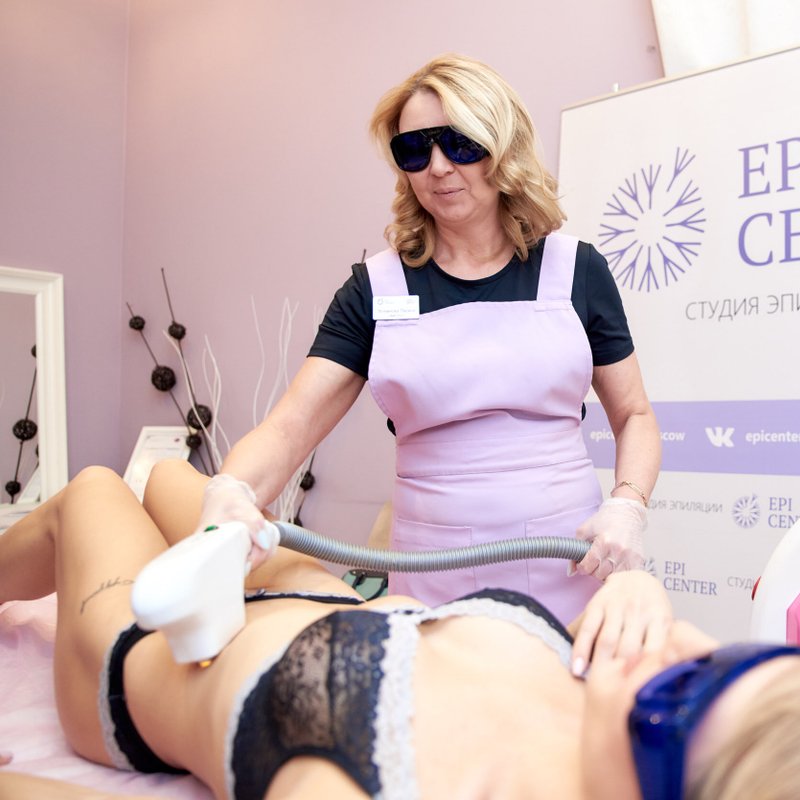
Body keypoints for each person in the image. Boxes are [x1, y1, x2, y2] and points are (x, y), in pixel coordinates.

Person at [0, 463, 800, 800]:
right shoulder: (615, 694)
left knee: (93, 489)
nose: (678, 648)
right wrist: (641, 593)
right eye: (731, 654)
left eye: (681, 692)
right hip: (315, 600)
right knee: (183, 480)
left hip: (151, 657)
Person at [202, 53, 661, 622]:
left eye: (459, 144)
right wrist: (232, 490)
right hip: (432, 577)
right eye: (415, 150)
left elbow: (634, 415)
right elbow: (290, 426)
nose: (438, 167)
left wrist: (628, 505)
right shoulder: (375, 287)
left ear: (504, 146)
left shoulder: (576, 271)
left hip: (568, 564)